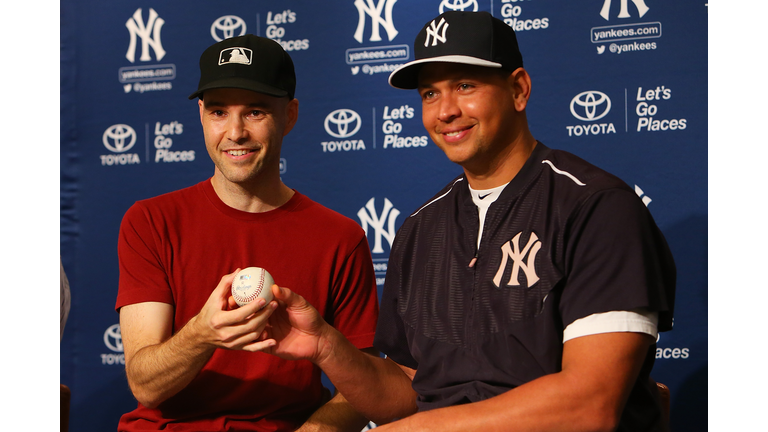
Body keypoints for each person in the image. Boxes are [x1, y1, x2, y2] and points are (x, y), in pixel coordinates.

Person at [257, 11, 676, 432]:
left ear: (518, 89)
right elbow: (406, 391)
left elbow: (590, 404)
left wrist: (418, 430)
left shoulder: (596, 207)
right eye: (429, 94)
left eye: (465, 86)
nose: (446, 111)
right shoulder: (421, 227)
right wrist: (327, 347)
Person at [115, 34, 379, 432]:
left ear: (289, 116)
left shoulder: (340, 237)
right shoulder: (150, 221)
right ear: (201, 114)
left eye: (255, 112)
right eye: (219, 112)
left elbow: (365, 389)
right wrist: (201, 335)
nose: (235, 132)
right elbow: (145, 385)